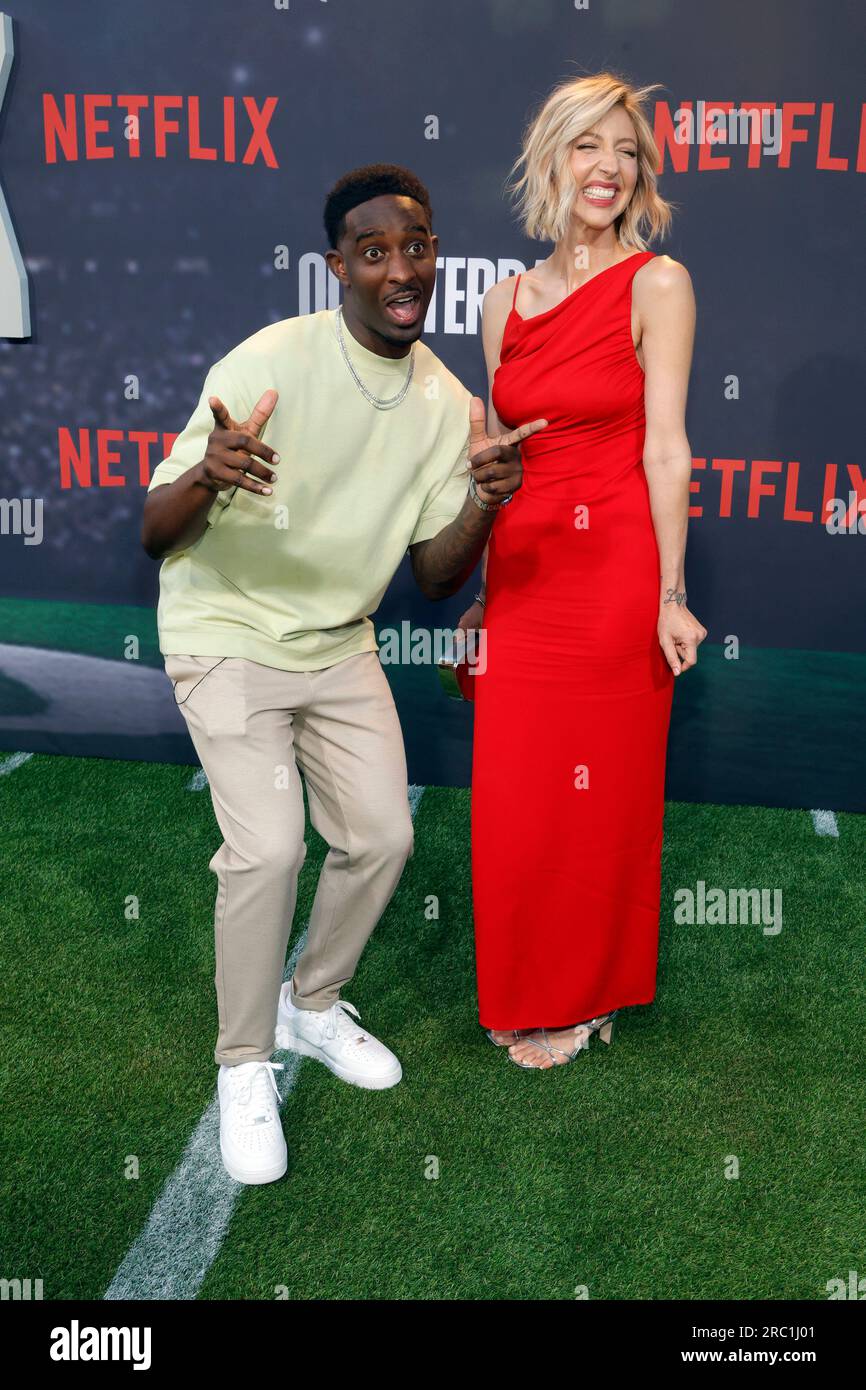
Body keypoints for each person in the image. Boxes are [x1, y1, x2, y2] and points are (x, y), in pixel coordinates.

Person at [141, 163, 545, 1182]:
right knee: (270, 850)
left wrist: (484, 500)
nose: (399, 269)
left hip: (337, 642)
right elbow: (154, 532)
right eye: (373, 252)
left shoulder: (448, 403)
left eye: (415, 246)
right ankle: (242, 1062)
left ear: (434, 256)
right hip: (226, 631)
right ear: (336, 269)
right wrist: (206, 473)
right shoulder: (270, 357)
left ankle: (310, 1002)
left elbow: (432, 576)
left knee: (381, 835)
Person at [460, 73, 707, 1069]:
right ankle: (527, 979)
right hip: (521, 573)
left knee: (597, 793)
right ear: (550, 159)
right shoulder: (499, 300)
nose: (606, 168)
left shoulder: (657, 284)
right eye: (585, 146)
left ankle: (587, 992)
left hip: (611, 568)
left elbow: (666, 448)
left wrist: (669, 593)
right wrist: (480, 590)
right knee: (519, 796)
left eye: (624, 151)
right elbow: (497, 458)